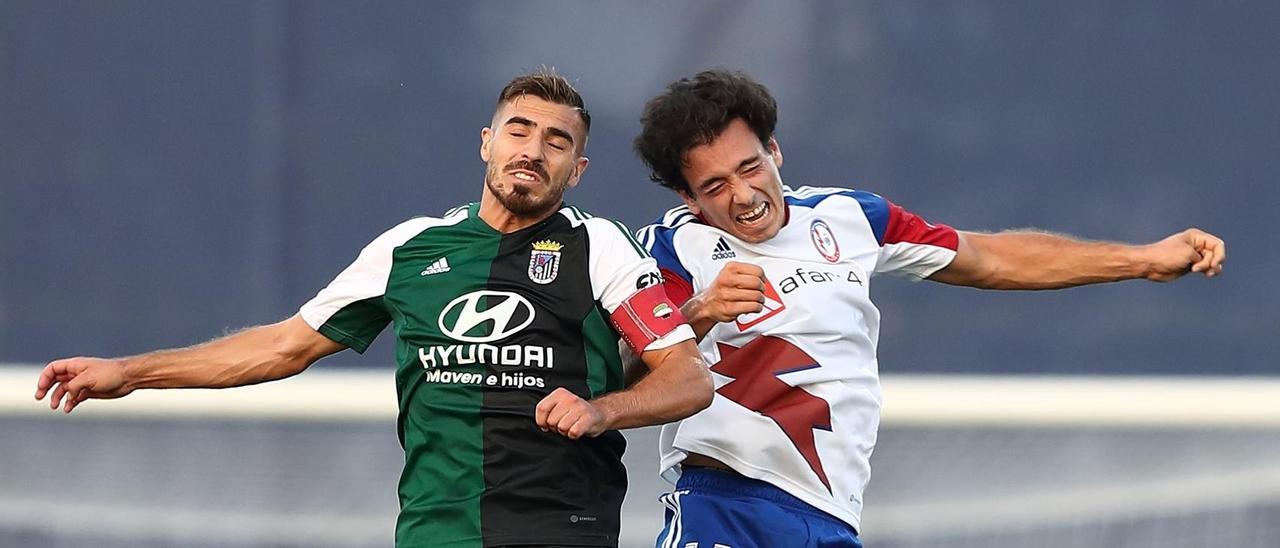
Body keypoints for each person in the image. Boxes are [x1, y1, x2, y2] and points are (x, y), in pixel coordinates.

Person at [34, 71, 714, 548]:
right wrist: (129, 372)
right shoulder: (410, 248)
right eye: (519, 130)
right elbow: (281, 347)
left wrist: (602, 410)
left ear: (578, 169)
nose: (533, 151)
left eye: (556, 142)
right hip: (433, 532)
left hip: (559, 528)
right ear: (487, 141)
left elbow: (687, 377)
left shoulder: (599, 245)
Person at [631, 69, 1226, 548]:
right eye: (715, 186)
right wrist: (701, 312)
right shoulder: (671, 249)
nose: (743, 194)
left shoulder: (851, 217)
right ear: (688, 196)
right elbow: (630, 372)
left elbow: (988, 258)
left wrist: (1144, 259)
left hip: (830, 517)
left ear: (776, 151)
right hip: (725, 504)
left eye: (750, 166)